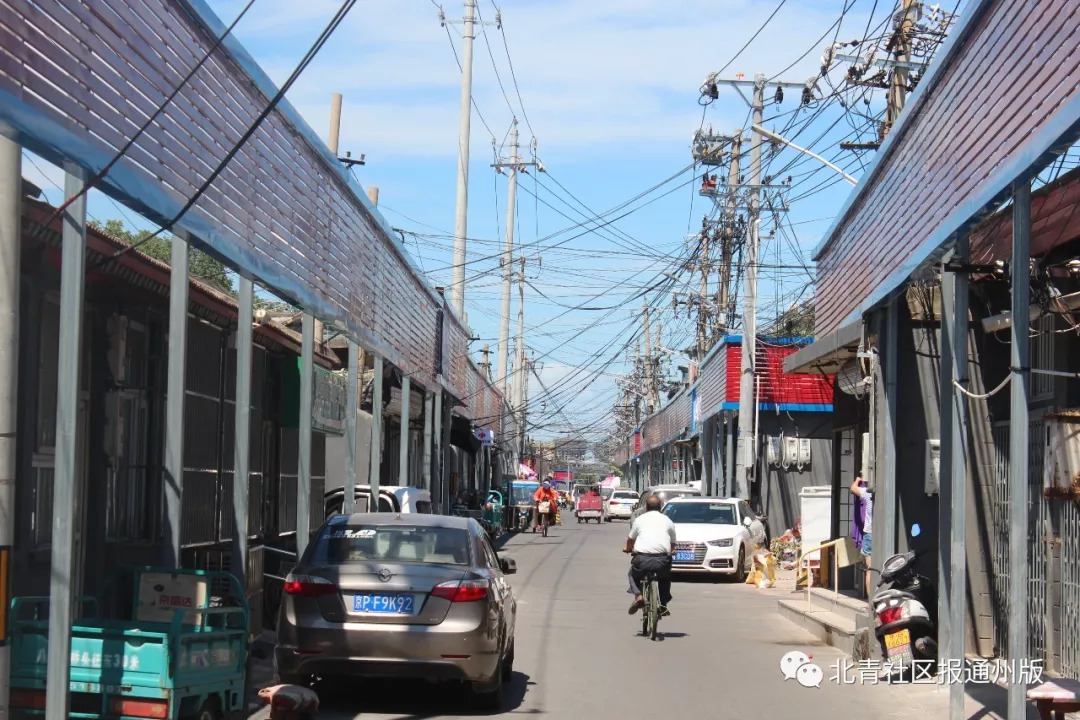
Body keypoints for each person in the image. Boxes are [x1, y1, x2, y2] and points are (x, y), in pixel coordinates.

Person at [623, 495, 677, 616]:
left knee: (632, 574)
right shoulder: (667, 520)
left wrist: (627, 549)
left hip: (642, 559)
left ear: (646, 507)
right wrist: (672, 550)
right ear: (660, 507)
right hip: (662, 560)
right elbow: (673, 543)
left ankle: (638, 596)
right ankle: (663, 604)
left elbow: (630, 539)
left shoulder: (640, 519)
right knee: (664, 578)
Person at [849, 474, 873, 597]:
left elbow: (853, 488)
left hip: (869, 534)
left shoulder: (869, 493)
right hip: (882, 534)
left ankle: (870, 602)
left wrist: (858, 480)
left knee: (870, 570)